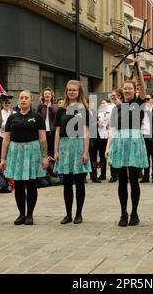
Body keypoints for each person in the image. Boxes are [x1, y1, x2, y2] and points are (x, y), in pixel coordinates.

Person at [106, 55, 148, 227]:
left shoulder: (139, 103)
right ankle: (123, 213)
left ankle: (135, 213)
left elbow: (144, 89)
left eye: (131, 88)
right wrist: (108, 147)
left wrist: (137, 67)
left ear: (135, 90)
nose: (128, 90)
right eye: (125, 88)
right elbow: (112, 129)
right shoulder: (117, 108)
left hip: (135, 142)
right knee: (122, 180)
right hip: (120, 142)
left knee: (134, 179)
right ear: (123, 91)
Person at [0, 91, 49, 226]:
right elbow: (6, 140)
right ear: (19, 100)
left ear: (31, 100)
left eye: (26, 98)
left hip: (32, 152)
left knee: (31, 184)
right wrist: (3, 158)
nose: (23, 100)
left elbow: (43, 138)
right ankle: (21, 214)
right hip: (16, 152)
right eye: (21, 98)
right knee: (19, 185)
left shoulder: (37, 117)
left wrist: (45, 157)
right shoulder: (12, 118)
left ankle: (29, 215)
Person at [54, 80, 91, 225]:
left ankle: (79, 214)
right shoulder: (61, 110)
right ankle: (68, 214)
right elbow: (57, 131)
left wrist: (85, 151)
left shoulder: (84, 109)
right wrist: (56, 150)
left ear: (79, 91)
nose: (71, 92)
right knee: (67, 182)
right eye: (69, 90)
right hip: (64, 145)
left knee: (80, 182)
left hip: (79, 144)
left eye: (74, 90)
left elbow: (86, 131)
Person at [36, 88, 59, 161]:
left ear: (51, 96)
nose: (47, 95)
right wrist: (40, 104)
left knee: (51, 150)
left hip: (52, 131)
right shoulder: (40, 106)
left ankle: (52, 169)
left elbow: (56, 118)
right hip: (43, 131)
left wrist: (50, 108)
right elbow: (37, 116)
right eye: (45, 94)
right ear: (43, 96)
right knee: (43, 150)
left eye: (49, 94)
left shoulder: (55, 106)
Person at [107, 89, 123, 183]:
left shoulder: (121, 106)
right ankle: (114, 175)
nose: (112, 97)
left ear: (120, 96)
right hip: (113, 134)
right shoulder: (113, 107)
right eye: (111, 95)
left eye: (114, 95)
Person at [97, 99, 111, 181]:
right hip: (101, 137)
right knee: (101, 157)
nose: (103, 105)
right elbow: (98, 123)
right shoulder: (99, 114)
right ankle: (102, 174)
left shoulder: (112, 113)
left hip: (110, 136)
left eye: (104, 103)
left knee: (111, 156)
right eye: (101, 103)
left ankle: (114, 175)